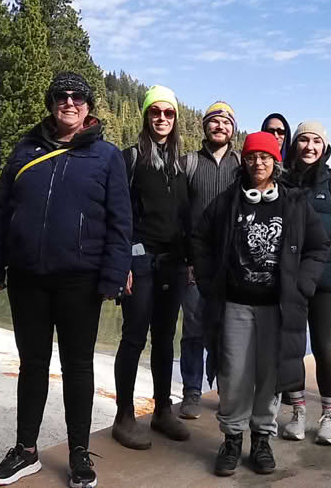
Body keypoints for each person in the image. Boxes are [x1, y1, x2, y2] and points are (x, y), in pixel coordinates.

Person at [0, 71, 132, 488]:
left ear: (89, 106)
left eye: (78, 97)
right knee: (32, 364)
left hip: (79, 281)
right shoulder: (24, 149)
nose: (69, 102)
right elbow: (0, 211)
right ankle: (26, 450)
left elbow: (121, 224)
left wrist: (113, 276)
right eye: (61, 96)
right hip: (27, 276)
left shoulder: (107, 156)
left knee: (78, 367)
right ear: (51, 103)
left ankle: (79, 452)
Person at [192, 132, 330, 477]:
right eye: (252, 157)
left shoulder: (295, 204)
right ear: (245, 161)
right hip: (235, 305)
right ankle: (232, 439)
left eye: (265, 157)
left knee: (269, 375)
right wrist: (209, 281)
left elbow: (318, 247)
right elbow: (198, 240)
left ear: (275, 162)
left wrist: (303, 284)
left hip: (276, 308)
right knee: (234, 373)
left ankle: (262, 440)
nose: (258, 163)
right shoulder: (227, 203)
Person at [112, 85, 190, 450]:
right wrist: (123, 261)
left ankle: (162, 410)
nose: (161, 118)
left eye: (168, 113)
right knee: (133, 336)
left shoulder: (180, 162)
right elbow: (119, 213)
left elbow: (185, 215)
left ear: (175, 119)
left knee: (164, 337)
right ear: (145, 116)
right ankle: (124, 415)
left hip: (173, 262)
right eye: (155, 112)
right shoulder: (129, 158)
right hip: (139, 261)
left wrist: (190, 259)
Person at [282, 122, 331, 445]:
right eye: (303, 139)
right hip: (290, 278)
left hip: (324, 279)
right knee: (292, 348)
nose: (309, 146)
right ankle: (297, 413)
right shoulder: (283, 181)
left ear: (324, 147)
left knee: (322, 347)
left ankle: (329, 416)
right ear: (295, 145)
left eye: (316, 141)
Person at [178, 101, 240, 420]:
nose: (220, 127)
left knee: (227, 328)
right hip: (194, 263)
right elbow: (178, 214)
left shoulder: (243, 165)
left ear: (233, 128)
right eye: (214, 121)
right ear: (205, 126)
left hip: (231, 265)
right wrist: (187, 259)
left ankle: (225, 388)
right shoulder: (188, 163)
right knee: (192, 329)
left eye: (226, 122)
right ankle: (191, 391)